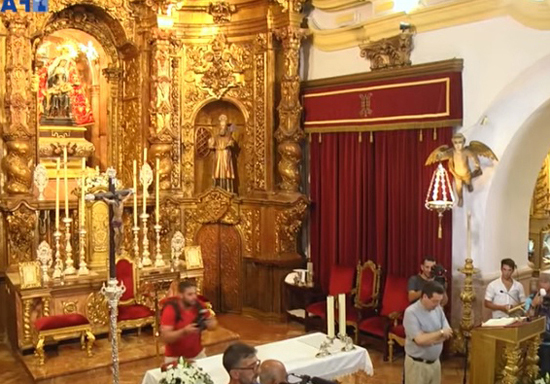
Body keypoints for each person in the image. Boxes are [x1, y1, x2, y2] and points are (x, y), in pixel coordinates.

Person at [403, 281, 452, 384]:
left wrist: (429, 338)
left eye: (439, 301)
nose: (437, 304)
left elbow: (448, 333)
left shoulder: (438, 309)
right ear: (425, 297)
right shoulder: (411, 312)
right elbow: (419, 340)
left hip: (435, 364)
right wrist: (440, 333)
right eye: (434, 301)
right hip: (417, 366)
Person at [160, 279, 217, 363]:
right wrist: (184, 331)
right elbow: (165, 337)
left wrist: (211, 323)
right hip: (175, 358)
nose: (194, 297)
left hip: (197, 355)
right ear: (180, 295)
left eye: (195, 293)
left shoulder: (198, 304)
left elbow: (214, 325)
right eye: (190, 294)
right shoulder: (171, 309)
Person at [532, 273, 550, 376]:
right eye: (541, 282)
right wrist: (533, 305)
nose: (543, 285)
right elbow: (527, 317)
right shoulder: (533, 298)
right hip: (539, 342)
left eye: (546, 282)